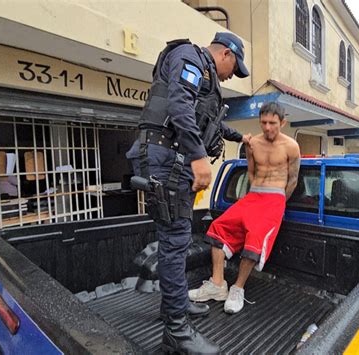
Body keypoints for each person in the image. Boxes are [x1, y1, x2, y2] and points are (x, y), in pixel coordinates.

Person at [126, 32, 250, 354]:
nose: (230, 76)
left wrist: (241, 137)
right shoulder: (189, 57)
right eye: (233, 69)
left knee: (176, 239)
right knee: (175, 239)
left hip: (171, 160)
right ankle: (176, 331)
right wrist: (198, 157)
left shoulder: (204, 75)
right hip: (165, 159)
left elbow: (209, 122)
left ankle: (175, 306)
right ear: (226, 54)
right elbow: (179, 104)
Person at [189, 101, 301, 314]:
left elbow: (293, 179)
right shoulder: (251, 144)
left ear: (283, 122)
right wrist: (251, 196)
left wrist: (279, 203)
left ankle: (237, 288)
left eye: (273, 123)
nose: (267, 127)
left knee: (256, 237)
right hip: (254, 195)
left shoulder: (291, 146)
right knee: (219, 226)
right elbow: (251, 172)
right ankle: (218, 284)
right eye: (264, 122)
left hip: (275, 199)